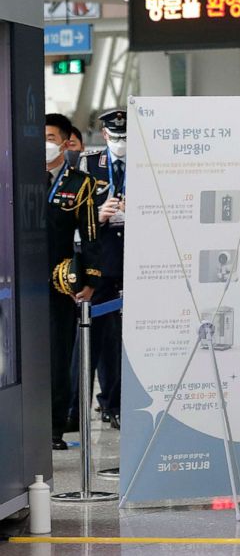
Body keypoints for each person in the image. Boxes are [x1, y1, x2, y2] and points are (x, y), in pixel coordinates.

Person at [45, 113, 100, 450]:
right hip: (18, 283)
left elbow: (91, 235)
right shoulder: (16, 178)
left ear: (66, 142)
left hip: (59, 282)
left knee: (56, 355)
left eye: (51, 136)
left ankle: (53, 426)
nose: (45, 143)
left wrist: (89, 278)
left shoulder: (79, 183)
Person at [70, 109, 129, 430]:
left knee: (124, 339)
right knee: (97, 335)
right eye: (116, 137)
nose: (121, 143)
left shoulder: (147, 164)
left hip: (136, 260)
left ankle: (116, 403)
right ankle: (79, 406)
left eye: (126, 138)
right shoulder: (89, 164)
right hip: (101, 261)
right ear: (105, 135)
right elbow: (79, 218)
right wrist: (101, 215)